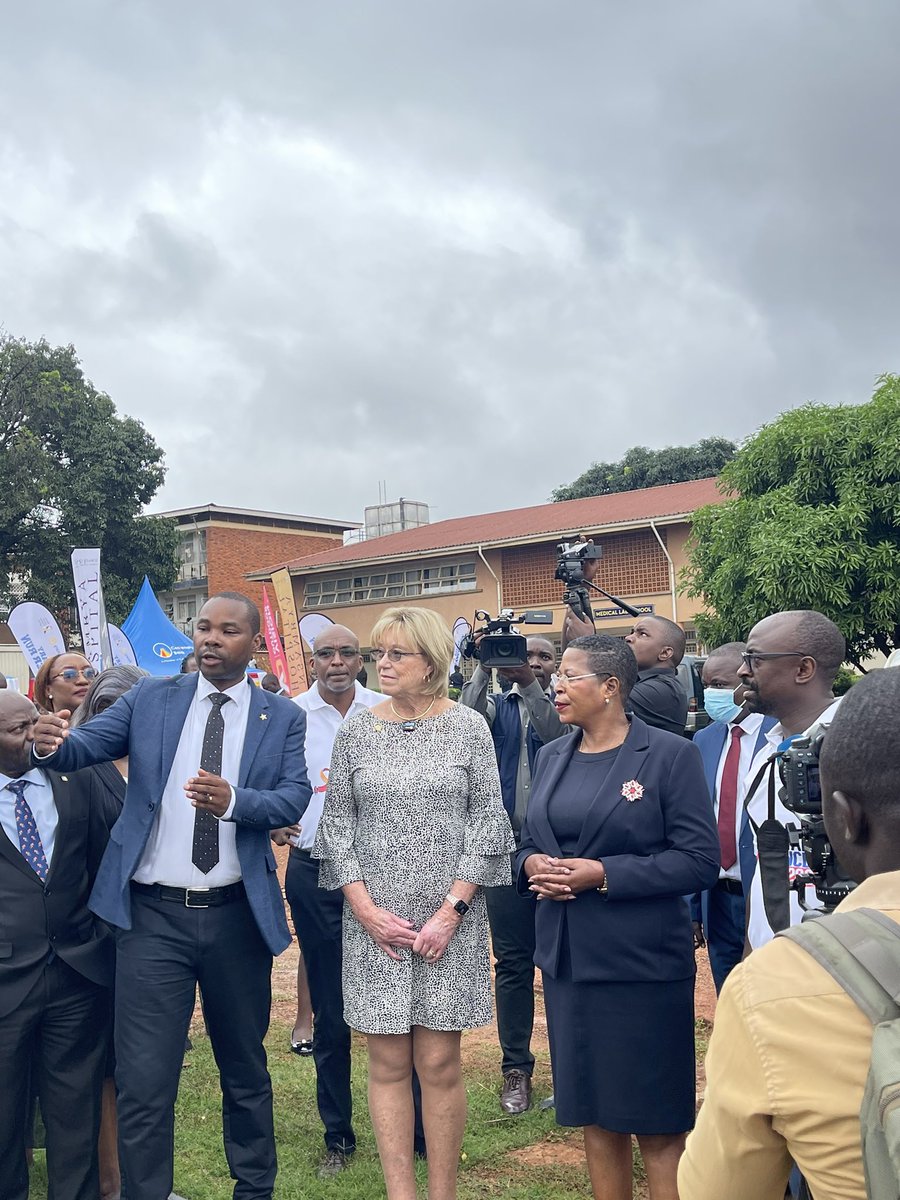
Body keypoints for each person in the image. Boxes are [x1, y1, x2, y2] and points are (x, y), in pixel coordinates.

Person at [31, 592, 311, 1200]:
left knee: (244, 1069)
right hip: (152, 920)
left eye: (227, 630)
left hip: (236, 918)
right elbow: (85, 747)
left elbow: (292, 799)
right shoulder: (152, 698)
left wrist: (235, 801)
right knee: (143, 1079)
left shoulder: (280, 716)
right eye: (203, 628)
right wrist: (49, 740)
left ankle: (253, 1189)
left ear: (252, 644)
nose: (211, 639)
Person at [314, 606, 514, 1200]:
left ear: (432, 660)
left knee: (440, 1064)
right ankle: (401, 1192)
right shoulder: (358, 728)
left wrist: (451, 911)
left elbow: (488, 826)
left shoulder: (469, 726)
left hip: (447, 922)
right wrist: (366, 910)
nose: (383, 663)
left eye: (396, 653)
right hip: (375, 924)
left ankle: (442, 1193)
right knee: (387, 1064)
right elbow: (337, 828)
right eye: (380, 652)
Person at [678, 667, 900, 1200]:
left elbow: (719, 1190)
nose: (740, 675)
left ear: (844, 818)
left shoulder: (775, 991)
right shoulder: (757, 743)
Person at [517, 634, 718, 1200]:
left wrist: (602, 874)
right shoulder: (552, 754)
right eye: (555, 675)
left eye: (569, 675)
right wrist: (532, 860)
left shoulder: (669, 755)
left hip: (640, 968)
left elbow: (698, 860)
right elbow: (530, 837)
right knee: (595, 1114)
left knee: (655, 1119)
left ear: (610, 687)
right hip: (568, 964)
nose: (555, 684)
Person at [279, 624, 427, 1177]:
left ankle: (416, 1129)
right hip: (316, 871)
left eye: (348, 652)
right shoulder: (288, 715)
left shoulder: (388, 710)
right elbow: (266, 782)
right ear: (310, 660)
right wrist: (274, 818)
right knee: (331, 1007)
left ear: (362, 659)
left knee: (401, 1001)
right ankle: (337, 1135)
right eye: (326, 653)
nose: (337, 661)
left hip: (388, 873)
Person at [0, 691, 114, 1200]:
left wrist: (99, 939)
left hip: (75, 972)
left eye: (34, 722)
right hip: (5, 981)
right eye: (16, 729)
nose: (33, 735)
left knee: (75, 1111)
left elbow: (103, 862)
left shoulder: (77, 777)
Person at [460, 636, 569, 1114]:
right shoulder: (492, 707)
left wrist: (531, 688)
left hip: (561, 853)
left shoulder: (564, 707)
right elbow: (462, 726)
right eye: (524, 656)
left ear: (556, 666)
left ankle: (570, 1072)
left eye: (543, 657)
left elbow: (559, 735)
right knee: (512, 963)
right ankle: (516, 1070)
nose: (531, 663)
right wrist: (483, 668)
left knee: (566, 963)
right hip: (505, 854)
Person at [70, 665, 149, 1200]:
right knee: (98, 1067)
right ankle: (107, 1182)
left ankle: (137, 1179)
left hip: (154, 932)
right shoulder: (77, 767)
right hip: (91, 938)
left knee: (140, 1067)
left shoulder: (164, 765)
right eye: (107, 710)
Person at [738, 609, 845, 948]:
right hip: (772, 954)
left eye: (755, 659)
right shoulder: (767, 751)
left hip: (842, 955)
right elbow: (766, 868)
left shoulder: (856, 745)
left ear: (803, 669)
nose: (743, 671)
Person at [688, 643, 775, 993]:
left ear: (746, 682)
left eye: (721, 685)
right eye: (706, 684)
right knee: (730, 992)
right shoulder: (704, 740)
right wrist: (693, 908)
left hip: (765, 895)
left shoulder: (780, 734)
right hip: (717, 897)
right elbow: (695, 825)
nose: (712, 694)